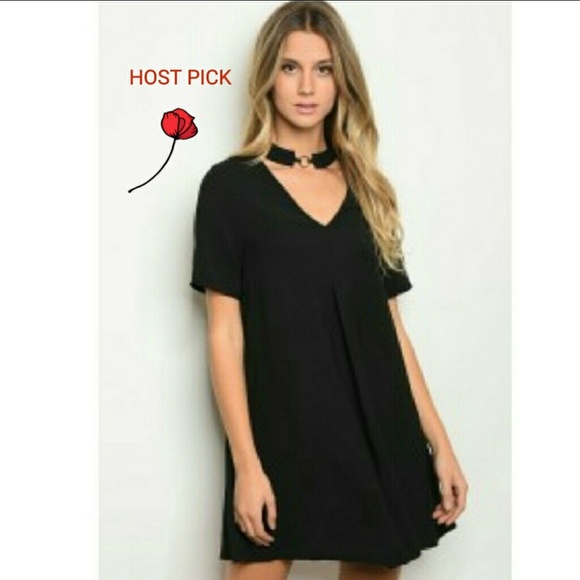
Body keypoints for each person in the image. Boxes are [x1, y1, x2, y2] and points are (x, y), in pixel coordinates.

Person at [189, 1, 468, 579]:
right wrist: (247, 463)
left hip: (376, 428)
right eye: (290, 67)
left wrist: (440, 443)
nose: (306, 87)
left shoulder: (368, 188)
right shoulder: (229, 189)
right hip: (280, 433)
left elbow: (392, 331)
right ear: (268, 76)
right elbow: (224, 334)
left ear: (343, 80)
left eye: (324, 69)